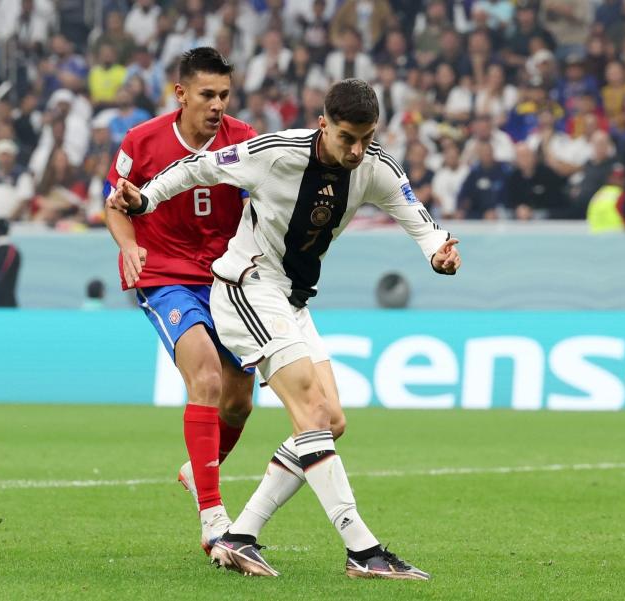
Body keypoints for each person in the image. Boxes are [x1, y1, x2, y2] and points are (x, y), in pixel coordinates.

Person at [110, 78, 460, 580]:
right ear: (323, 125)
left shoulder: (376, 166)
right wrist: (145, 200)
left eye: (366, 137)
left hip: (292, 300)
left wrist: (438, 251)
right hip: (246, 286)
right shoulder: (276, 152)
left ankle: (240, 536)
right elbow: (200, 166)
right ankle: (363, 550)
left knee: (331, 420)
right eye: (346, 138)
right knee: (312, 413)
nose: (357, 149)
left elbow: (417, 218)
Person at [102, 47, 258, 555]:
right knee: (206, 379)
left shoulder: (246, 142)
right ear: (182, 93)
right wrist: (128, 243)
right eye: (208, 94)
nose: (217, 104)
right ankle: (214, 519)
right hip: (167, 276)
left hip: (228, 281)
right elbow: (115, 204)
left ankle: (197, 472)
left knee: (238, 403)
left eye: (224, 95)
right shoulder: (141, 141)